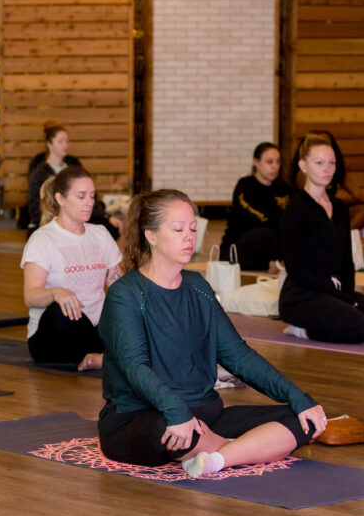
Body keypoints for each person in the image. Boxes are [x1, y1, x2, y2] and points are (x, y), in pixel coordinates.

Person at [97, 188, 327, 478]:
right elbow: (135, 368)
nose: (189, 237)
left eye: (193, 228)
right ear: (151, 236)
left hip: (206, 415)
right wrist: (177, 412)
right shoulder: (125, 294)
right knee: (168, 430)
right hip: (142, 417)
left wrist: (298, 398)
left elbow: (239, 356)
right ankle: (246, 449)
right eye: (178, 229)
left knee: (301, 419)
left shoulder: (198, 286)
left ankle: (217, 459)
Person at [279, 134, 364, 344]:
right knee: (359, 327)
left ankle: (340, 313)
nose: (327, 169)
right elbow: (295, 269)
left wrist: (348, 295)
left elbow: (346, 260)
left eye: (332, 163)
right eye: (320, 163)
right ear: (303, 166)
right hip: (302, 295)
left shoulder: (340, 208)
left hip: (336, 290)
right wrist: (335, 292)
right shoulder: (295, 210)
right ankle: (302, 330)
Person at [21, 166, 121, 371]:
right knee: (62, 313)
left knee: (134, 312)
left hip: (97, 329)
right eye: (81, 196)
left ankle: (104, 356)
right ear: (60, 198)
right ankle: (112, 356)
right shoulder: (42, 239)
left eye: (92, 196)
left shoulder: (101, 234)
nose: (89, 202)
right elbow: (30, 296)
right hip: (56, 333)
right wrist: (56, 293)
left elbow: (117, 286)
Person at [26, 120, 121, 239]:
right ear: (49, 144)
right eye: (60, 142)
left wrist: (107, 216)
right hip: (55, 219)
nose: (65, 145)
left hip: (78, 217)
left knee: (112, 228)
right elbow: (35, 207)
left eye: (67, 141)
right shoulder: (39, 173)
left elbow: (91, 197)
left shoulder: (75, 166)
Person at [289, 130, 364, 231]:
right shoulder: (303, 171)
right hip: (311, 215)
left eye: (326, 144)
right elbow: (308, 201)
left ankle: (343, 233)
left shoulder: (334, 168)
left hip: (330, 212)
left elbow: (357, 192)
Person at [218, 142, 293, 271]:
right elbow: (256, 216)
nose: (275, 166)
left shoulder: (284, 189)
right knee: (263, 233)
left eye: (278, 162)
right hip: (239, 248)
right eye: (269, 162)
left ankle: (277, 263)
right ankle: (271, 264)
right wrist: (281, 222)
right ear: (256, 162)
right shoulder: (244, 186)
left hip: (272, 244)